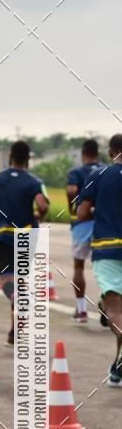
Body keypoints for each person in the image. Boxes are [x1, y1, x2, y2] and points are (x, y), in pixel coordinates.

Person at [0, 140, 49, 345]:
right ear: (28, 158)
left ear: (10, 156)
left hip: (3, 235)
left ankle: (18, 312)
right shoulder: (34, 181)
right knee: (21, 281)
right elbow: (43, 205)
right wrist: (38, 215)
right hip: (26, 235)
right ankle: (15, 330)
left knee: (8, 281)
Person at [77, 133, 122, 386]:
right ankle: (118, 366)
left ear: (111, 152)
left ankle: (106, 307)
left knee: (116, 310)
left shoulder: (99, 174)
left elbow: (82, 213)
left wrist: (101, 208)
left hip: (108, 249)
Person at [66, 139, 100, 323]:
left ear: (83, 154)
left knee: (79, 266)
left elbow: (71, 190)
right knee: (105, 266)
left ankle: (81, 310)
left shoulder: (76, 172)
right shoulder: (104, 170)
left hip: (81, 223)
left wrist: (73, 208)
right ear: (98, 153)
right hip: (103, 223)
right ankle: (107, 304)